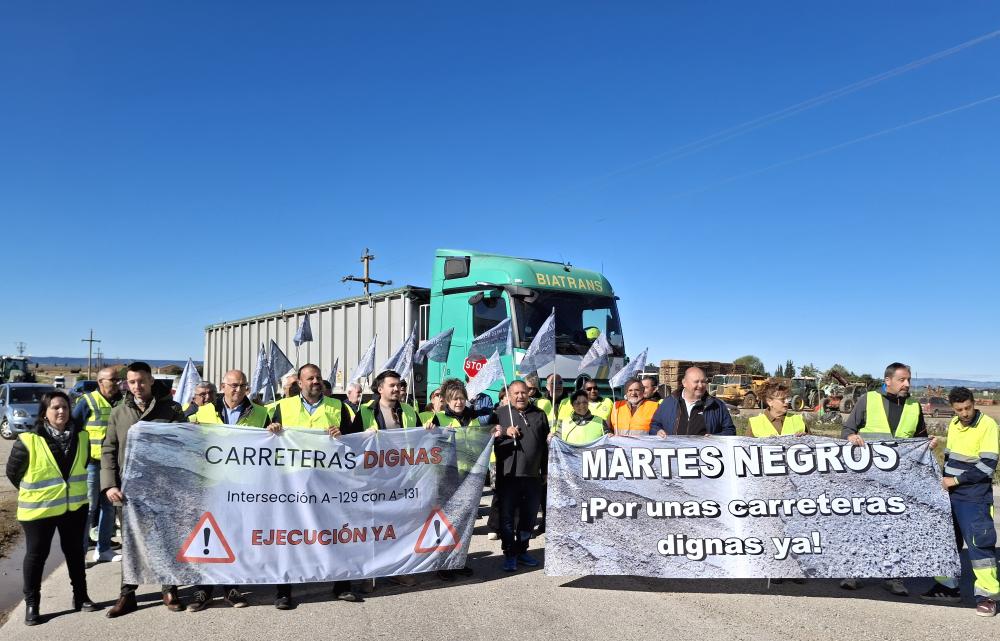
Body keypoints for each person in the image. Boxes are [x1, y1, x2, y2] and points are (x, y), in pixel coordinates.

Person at [267, 364, 359, 607]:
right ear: (299, 382)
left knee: (336, 533)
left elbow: (354, 441)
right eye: (310, 378)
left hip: (328, 482)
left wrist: (344, 435)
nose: (316, 381)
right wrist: (272, 429)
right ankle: (284, 591)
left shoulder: (338, 406)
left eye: (318, 377)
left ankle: (341, 585)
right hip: (291, 484)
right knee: (287, 537)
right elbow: (264, 441)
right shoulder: (281, 407)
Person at [101, 362, 187, 617]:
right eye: (131, 382)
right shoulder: (119, 412)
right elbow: (108, 449)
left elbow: (183, 444)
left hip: (162, 489)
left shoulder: (171, 409)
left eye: (141, 381)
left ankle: (169, 589)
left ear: (151, 381)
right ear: (126, 383)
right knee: (131, 543)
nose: (136, 387)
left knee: (164, 539)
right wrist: (109, 484)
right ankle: (127, 595)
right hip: (128, 492)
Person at [839, 362, 931, 595]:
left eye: (909, 379)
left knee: (896, 528)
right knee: (862, 525)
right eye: (902, 380)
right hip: (868, 478)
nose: (907, 384)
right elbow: (847, 430)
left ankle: (894, 576)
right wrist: (851, 438)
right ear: (887, 380)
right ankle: (854, 572)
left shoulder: (913, 406)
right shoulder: (867, 400)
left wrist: (930, 444)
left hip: (900, 481)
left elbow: (921, 440)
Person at [6, 391, 96, 625]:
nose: (61, 411)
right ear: (44, 413)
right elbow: (13, 474)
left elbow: (81, 467)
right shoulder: (28, 439)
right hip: (39, 510)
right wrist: (39, 492)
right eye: (55, 407)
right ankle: (32, 605)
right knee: (37, 556)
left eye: (65, 407)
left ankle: (81, 597)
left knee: (75, 553)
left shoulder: (83, 438)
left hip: (74, 507)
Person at [185, 369, 264, 610]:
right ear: (223, 386)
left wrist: (275, 431)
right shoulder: (202, 412)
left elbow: (272, 445)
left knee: (235, 536)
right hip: (210, 485)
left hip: (241, 486)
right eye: (232, 385)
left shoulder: (261, 413)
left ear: (247, 388)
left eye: (242, 385)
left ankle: (232, 587)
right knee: (205, 536)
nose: (237, 390)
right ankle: (203, 589)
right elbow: (182, 438)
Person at [921, 387, 998, 616]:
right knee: (948, 542)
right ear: (953, 408)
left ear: (974, 403)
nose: (965, 413)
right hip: (951, 494)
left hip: (974, 496)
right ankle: (948, 587)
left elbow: (987, 466)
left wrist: (954, 480)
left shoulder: (988, 426)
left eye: (968, 408)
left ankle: (988, 597)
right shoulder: (954, 424)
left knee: (979, 544)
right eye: (959, 410)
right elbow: (951, 458)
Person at [426, 378, 485, 581]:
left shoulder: (473, 418)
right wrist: (428, 431)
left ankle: (458, 561)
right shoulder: (438, 418)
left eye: (461, 398)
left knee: (464, 523)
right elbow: (427, 444)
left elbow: (480, 438)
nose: (458, 402)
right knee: (447, 523)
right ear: (447, 402)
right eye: (454, 399)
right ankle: (443, 563)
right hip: (446, 478)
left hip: (469, 477)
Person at [494, 380, 549, 572]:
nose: (520, 396)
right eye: (516, 393)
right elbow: (490, 442)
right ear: (509, 395)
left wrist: (545, 470)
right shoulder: (500, 414)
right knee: (507, 518)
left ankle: (523, 550)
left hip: (533, 476)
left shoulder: (540, 414)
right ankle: (509, 553)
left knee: (529, 517)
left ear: (529, 393)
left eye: (523, 392)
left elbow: (545, 446)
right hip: (508, 475)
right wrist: (503, 435)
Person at [71, 366, 122, 563]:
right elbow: (74, 430)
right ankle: (81, 554)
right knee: (90, 509)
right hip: (91, 465)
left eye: (118, 380)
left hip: (111, 466)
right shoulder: (88, 401)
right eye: (113, 380)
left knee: (108, 508)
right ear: (101, 382)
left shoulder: (120, 402)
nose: (117, 383)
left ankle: (103, 549)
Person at [651, 367, 736, 437]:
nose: (700, 385)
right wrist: (657, 431)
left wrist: (716, 438)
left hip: (705, 455)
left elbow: (730, 431)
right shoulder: (668, 403)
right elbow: (655, 425)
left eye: (703, 381)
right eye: (696, 382)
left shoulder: (717, 405)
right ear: (684, 383)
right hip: (675, 454)